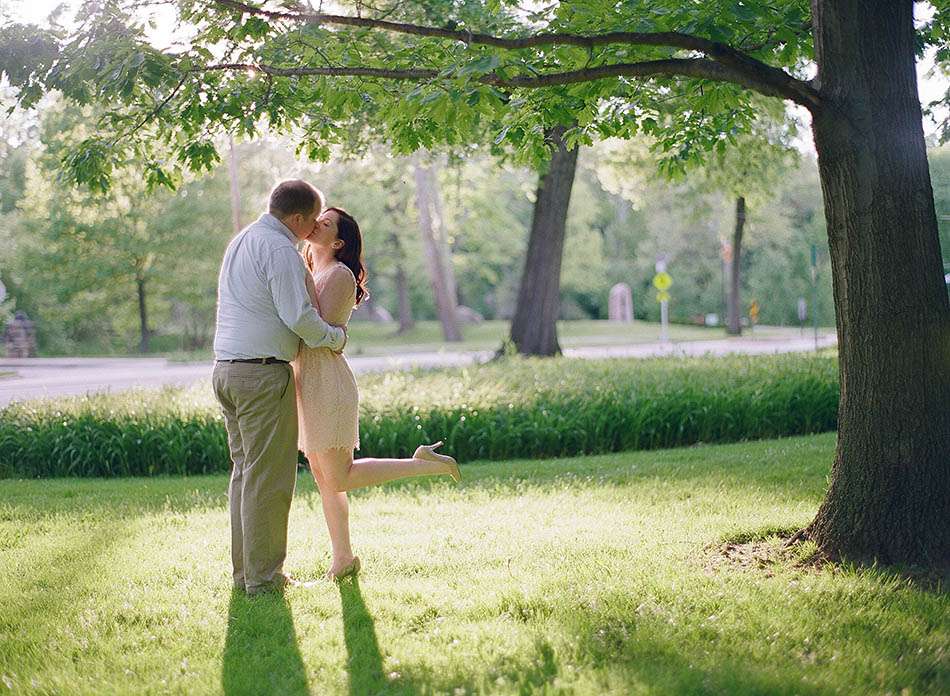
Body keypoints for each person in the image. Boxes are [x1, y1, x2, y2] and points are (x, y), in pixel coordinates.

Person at [294, 206, 460, 581]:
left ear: (337, 241)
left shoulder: (338, 275)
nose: (314, 223)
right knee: (324, 477)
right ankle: (343, 559)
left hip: (328, 384)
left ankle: (421, 464)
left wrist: (296, 274)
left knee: (338, 476)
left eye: (324, 223)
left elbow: (310, 326)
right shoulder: (314, 269)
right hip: (308, 383)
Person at [212, 179, 346, 596]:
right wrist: (334, 338)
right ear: (298, 218)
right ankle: (265, 579)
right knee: (269, 481)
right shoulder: (280, 250)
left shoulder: (243, 240)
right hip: (261, 374)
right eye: (311, 223)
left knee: (246, 477)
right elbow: (299, 317)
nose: (312, 232)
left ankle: (247, 574)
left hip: (227, 371)